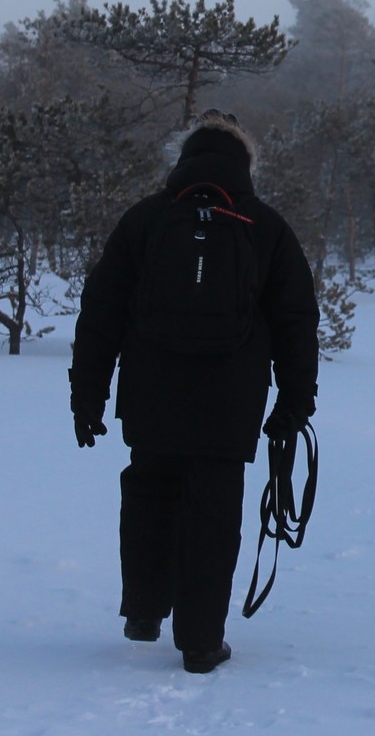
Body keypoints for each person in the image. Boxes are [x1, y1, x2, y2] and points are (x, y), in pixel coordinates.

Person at [69, 109, 319, 673]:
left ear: (183, 158)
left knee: (149, 492)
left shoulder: (146, 220)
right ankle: (201, 643)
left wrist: (87, 393)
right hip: (229, 406)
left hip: (150, 395)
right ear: (245, 162)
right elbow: (297, 321)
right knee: (213, 515)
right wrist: (295, 402)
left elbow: (100, 312)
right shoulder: (267, 227)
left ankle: (144, 609)